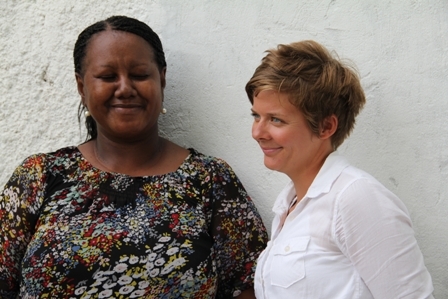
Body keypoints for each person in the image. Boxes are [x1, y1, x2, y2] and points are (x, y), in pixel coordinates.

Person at [0, 15, 267, 299]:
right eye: (107, 77)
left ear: (161, 79)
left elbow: (251, 286)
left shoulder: (210, 180)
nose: (125, 88)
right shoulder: (39, 176)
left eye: (139, 75)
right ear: (82, 88)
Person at [246, 40, 434, 298]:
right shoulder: (289, 204)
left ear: (325, 127)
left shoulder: (355, 198)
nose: (257, 132)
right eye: (256, 116)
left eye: (275, 119)